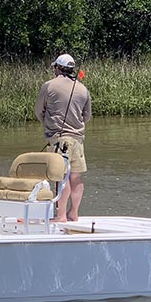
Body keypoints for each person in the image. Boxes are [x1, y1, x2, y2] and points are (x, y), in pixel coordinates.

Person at [34, 53, 92, 222]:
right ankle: (73, 213)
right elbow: (86, 116)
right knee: (76, 177)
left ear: (58, 68)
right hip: (78, 139)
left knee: (62, 177)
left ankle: (60, 216)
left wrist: (47, 123)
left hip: (59, 139)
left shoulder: (48, 86)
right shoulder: (83, 89)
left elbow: (39, 111)